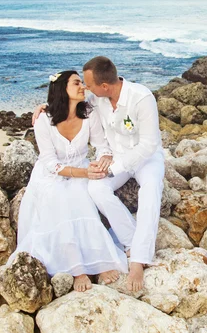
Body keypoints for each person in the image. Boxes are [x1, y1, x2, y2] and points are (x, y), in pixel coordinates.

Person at [33, 56, 165, 292]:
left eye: (88, 84)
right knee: (96, 189)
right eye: (81, 84)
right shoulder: (97, 99)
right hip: (114, 158)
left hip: (145, 158)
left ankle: (138, 260)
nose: (85, 88)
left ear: (104, 86)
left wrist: (112, 167)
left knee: (151, 191)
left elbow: (149, 145)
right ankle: (129, 242)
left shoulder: (142, 98)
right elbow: (64, 107)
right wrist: (44, 106)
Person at [10, 70, 128, 292]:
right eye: (76, 83)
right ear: (62, 89)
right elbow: (49, 163)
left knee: (84, 197)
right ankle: (77, 270)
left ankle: (100, 261)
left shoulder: (88, 113)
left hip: (81, 167)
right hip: (50, 175)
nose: (82, 86)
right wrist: (84, 174)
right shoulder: (43, 120)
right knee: (60, 199)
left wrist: (102, 161)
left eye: (82, 83)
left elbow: (102, 145)